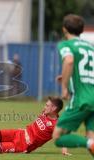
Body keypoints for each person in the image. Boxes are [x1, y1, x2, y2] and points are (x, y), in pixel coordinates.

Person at [52, 14, 94, 156]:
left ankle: (90, 143)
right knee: (91, 135)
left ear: (64, 29)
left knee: (58, 137)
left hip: (81, 99)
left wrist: (64, 87)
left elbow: (69, 61)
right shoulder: (90, 47)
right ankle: (91, 143)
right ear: (81, 30)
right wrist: (66, 76)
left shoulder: (66, 44)